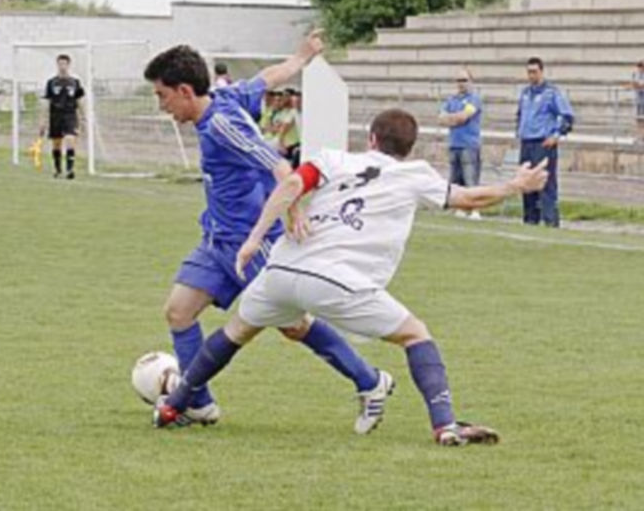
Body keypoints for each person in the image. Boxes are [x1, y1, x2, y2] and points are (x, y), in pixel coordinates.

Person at [154, 108, 550, 446]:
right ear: (408, 147)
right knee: (415, 334)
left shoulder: (334, 160)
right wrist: (516, 185)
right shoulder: (416, 174)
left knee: (235, 332)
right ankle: (445, 425)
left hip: (281, 268)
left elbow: (291, 183)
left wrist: (255, 239)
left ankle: (174, 406)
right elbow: (469, 198)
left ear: (371, 138)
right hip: (335, 278)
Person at [143, 31, 386, 428]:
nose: (162, 106)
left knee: (292, 325)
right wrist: (300, 58)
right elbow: (268, 77)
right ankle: (197, 403)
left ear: (185, 91)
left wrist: (292, 207)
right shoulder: (228, 97)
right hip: (217, 241)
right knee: (178, 312)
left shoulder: (222, 125)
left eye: (162, 96)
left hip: (251, 245)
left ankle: (369, 380)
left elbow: (276, 164)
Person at [516, 57, 574, 227]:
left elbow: (567, 116)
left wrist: (556, 135)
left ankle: (550, 221)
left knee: (546, 183)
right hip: (526, 142)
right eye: (529, 72)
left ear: (541, 71)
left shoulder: (551, 92)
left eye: (534, 72)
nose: (531, 75)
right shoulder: (525, 93)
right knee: (526, 183)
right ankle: (530, 220)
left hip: (542, 143)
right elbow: (520, 115)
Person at [438, 67, 482, 220]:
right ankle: (460, 208)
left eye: (464, 80)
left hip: (469, 143)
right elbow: (441, 118)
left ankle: (475, 209)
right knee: (455, 180)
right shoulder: (452, 99)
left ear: (471, 81)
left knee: (470, 179)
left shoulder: (474, 99)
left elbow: (465, 116)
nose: (461, 84)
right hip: (454, 143)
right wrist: (454, 118)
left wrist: (452, 118)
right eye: (459, 80)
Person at [39, 54, 85, 180]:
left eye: (64, 64)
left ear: (68, 65)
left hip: (70, 114)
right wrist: (43, 120)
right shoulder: (51, 82)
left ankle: (70, 170)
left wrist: (83, 117)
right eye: (60, 64)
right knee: (57, 144)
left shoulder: (75, 82)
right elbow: (46, 101)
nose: (62, 66)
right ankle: (58, 169)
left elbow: (80, 100)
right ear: (57, 65)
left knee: (70, 140)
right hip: (55, 115)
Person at [273, 88, 302, 168]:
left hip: (295, 143)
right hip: (289, 143)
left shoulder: (298, 112)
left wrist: (280, 143)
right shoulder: (294, 112)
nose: (296, 103)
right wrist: (281, 143)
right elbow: (282, 128)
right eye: (295, 101)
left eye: (298, 101)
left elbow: (283, 128)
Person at [625, 61, 644, 145]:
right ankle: (639, 137)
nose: (640, 68)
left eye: (641, 66)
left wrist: (635, 85)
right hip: (637, 99)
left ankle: (642, 137)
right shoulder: (635, 74)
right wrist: (630, 86)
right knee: (638, 119)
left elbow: (640, 85)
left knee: (642, 118)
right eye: (639, 66)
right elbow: (633, 84)